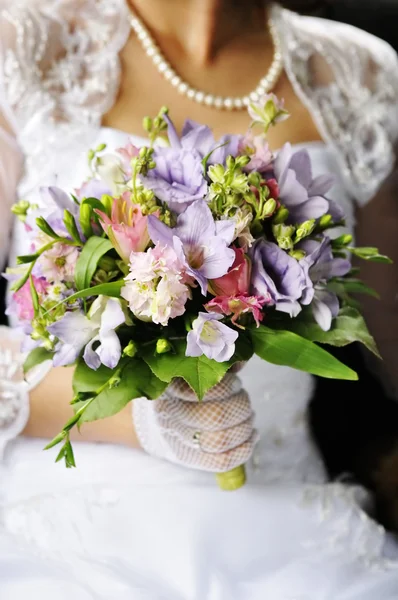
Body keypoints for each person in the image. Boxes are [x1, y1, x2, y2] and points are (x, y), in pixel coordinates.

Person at [0, 0, 397, 598]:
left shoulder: (359, 74)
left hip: (295, 534)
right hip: (69, 524)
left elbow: (389, 334)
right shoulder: (25, 44)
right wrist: (141, 418)